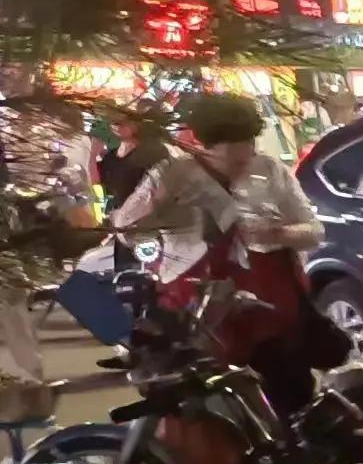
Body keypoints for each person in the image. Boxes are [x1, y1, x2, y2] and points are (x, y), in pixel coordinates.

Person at [111, 93, 341, 413]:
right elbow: (126, 228)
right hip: (198, 311)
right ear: (204, 144)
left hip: (273, 311)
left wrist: (278, 233)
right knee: (209, 409)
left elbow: (314, 231)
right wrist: (157, 252)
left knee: (290, 401)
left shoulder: (269, 170)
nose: (244, 160)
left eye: (249, 149)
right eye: (233, 157)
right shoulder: (172, 175)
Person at [96, 118, 168, 215]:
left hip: (144, 216)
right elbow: (101, 186)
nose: (116, 124)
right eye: (114, 120)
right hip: (119, 216)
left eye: (124, 119)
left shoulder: (153, 152)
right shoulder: (110, 157)